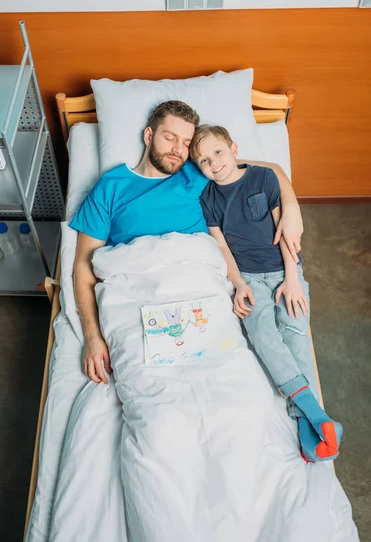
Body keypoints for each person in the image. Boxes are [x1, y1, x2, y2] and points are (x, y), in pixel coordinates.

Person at [70, 101, 304, 387]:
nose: (178, 149)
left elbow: (271, 171)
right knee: (154, 394)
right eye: (169, 138)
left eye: (186, 142)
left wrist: (291, 209)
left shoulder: (198, 171)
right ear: (148, 136)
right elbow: (84, 265)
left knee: (233, 388)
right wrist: (93, 337)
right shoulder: (111, 186)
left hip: (197, 289)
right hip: (139, 293)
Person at [189, 124, 343, 462]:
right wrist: (239, 285)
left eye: (218, 152)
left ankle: (307, 421)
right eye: (203, 161)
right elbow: (223, 248)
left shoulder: (264, 178)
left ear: (233, 147)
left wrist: (291, 277)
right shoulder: (208, 199)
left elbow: (285, 232)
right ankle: (318, 419)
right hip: (248, 277)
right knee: (263, 335)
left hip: (284, 270)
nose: (214, 163)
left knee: (296, 335)